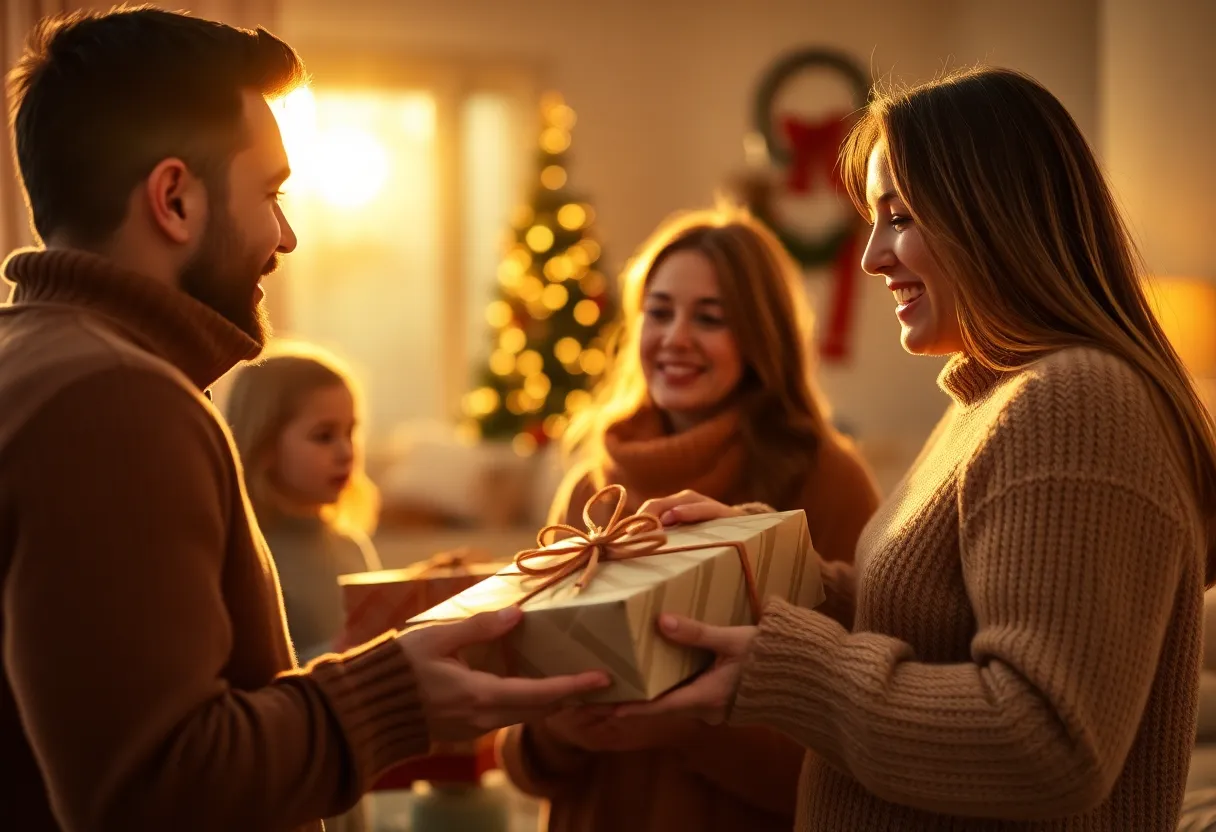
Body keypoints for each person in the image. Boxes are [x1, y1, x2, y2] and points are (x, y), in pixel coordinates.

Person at [0, 9, 605, 831]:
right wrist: (396, 693)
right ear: (174, 198)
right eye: (270, 193)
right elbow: (152, 793)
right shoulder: (115, 399)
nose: (285, 236)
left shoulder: (37, 363)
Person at [616, 67, 1216, 830]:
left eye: (898, 217)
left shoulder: (1073, 402)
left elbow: (1045, 743)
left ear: (992, 216)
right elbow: (930, 621)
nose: (871, 257)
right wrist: (753, 556)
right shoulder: (990, 401)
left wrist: (795, 671)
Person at [496, 207, 881, 831]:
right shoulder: (593, 489)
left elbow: (855, 744)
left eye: (709, 318)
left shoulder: (823, 481)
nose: (675, 337)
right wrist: (558, 730)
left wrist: (684, 724)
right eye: (660, 310)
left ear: (761, 337)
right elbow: (523, 758)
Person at [226, 344, 385, 832]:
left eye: (351, 431)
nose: (345, 451)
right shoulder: (245, 552)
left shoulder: (351, 547)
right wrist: (337, 657)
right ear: (265, 445)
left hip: (350, 766)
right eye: (323, 436)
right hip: (287, 780)